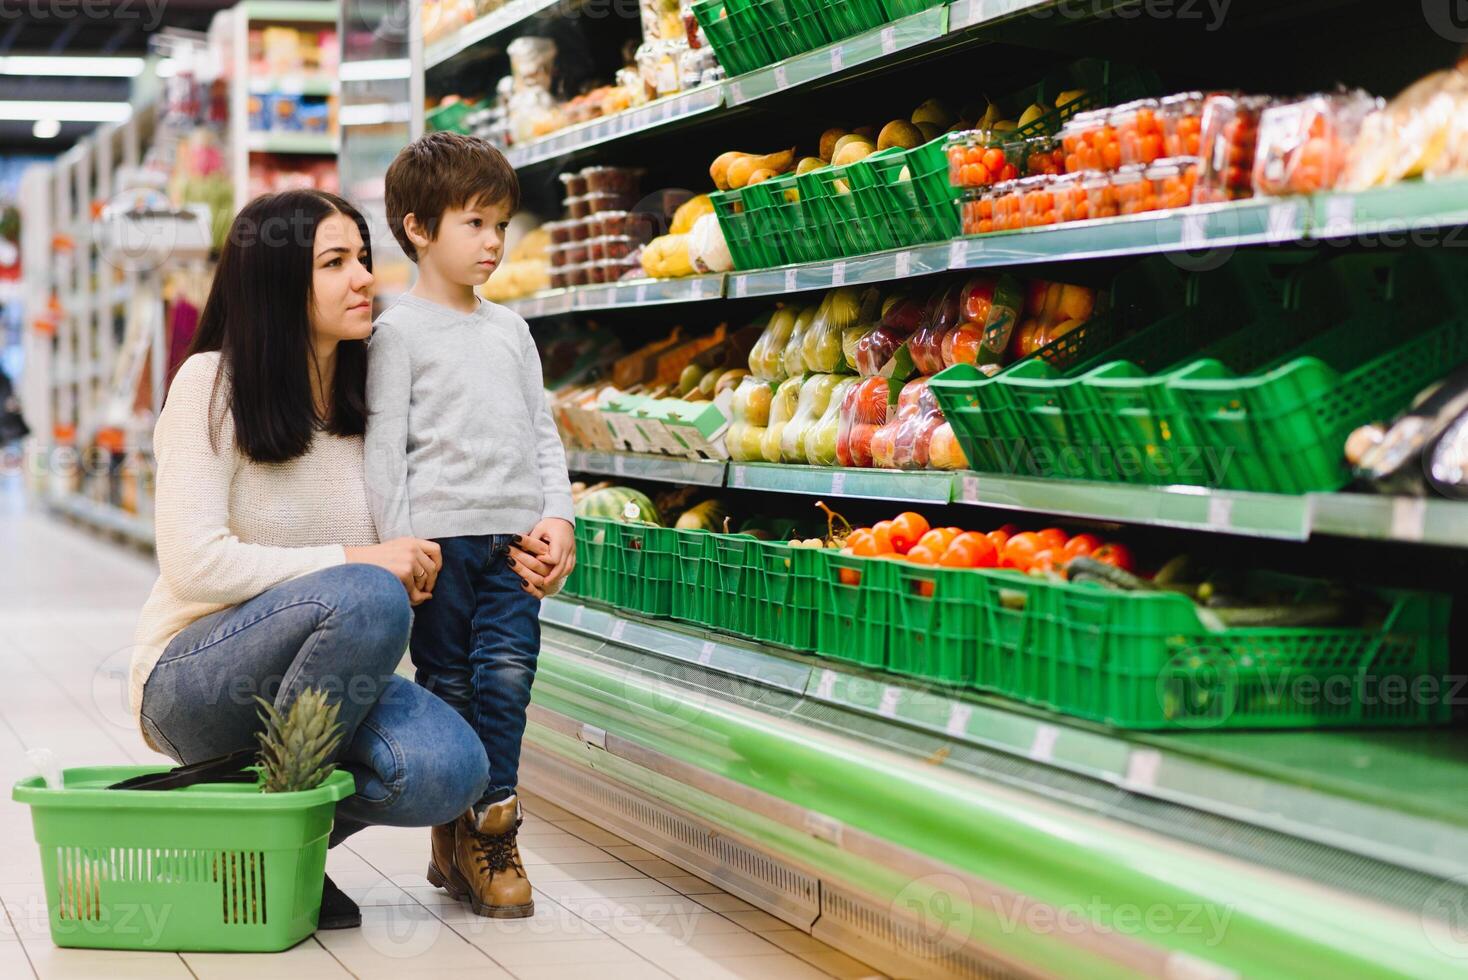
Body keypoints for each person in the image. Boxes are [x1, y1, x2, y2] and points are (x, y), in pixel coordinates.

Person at [130, 189, 507, 931]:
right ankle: (270, 856)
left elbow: (430, 517)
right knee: (365, 593)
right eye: (335, 262)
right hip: (195, 678)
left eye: (363, 257)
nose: (364, 277)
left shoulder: (372, 400)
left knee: (452, 769)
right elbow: (193, 564)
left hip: (332, 686)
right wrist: (362, 561)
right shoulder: (211, 385)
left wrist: (527, 537)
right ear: (275, 282)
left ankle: (262, 852)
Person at [365, 131, 576, 919]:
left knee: (508, 683)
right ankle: (455, 834)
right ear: (419, 228)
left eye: (501, 225)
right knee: (451, 687)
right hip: (442, 549)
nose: (493, 242)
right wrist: (402, 549)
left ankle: (492, 833)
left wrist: (559, 515)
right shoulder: (397, 335)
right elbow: (385, 455)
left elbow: (541, 433)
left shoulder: (511, 331)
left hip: (515, 545)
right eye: (475, 223)